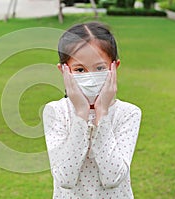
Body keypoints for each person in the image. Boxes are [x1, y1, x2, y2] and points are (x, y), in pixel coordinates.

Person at [43, 22, 142, 198]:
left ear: (114, 66)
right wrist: (81, 115)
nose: (90, 76)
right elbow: (64, 178)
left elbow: (113, 177)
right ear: (63, 70)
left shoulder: (128, 113)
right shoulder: (55, 112)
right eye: (80, 69)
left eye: (100, 68)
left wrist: (101, 114)